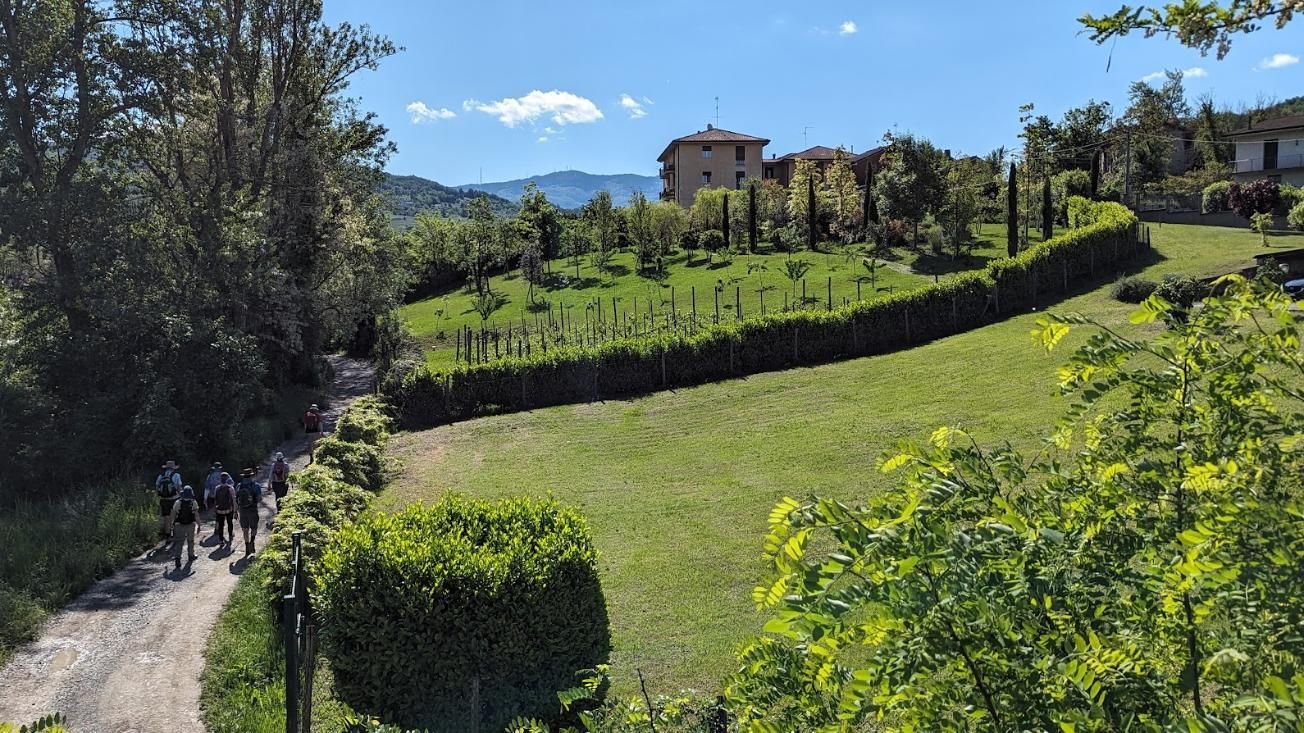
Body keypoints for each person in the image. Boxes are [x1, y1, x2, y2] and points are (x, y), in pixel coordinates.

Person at [170, 486, 200, 570]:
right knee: (190, 541)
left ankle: (177, 559)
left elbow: (173, 514)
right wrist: (199, 525)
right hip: (190, 524)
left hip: (179, 524)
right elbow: (196, 515)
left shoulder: (178, 502)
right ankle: (191, 555)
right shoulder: (193, 502)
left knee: (179, 542)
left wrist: (172, 523)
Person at [235, 468, 263, 557]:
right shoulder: (256, 485)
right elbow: (259, 499)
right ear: (251, 476)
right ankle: (252, 542)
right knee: (254, 528)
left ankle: (247, 547)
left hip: (242, 510)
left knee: (245, 529)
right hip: (252, 509)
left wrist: (235, 511)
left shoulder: (239, 486)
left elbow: (236, 499)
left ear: (243, 476)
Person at [154, 461, 183, 540]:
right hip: (174, 499)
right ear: (173, 468)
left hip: (163, 500)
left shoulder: (160, 476)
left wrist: (158, 497)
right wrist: (181, 497)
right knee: (174, 516)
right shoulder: (176, 475)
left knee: (166, 517)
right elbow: (179, 487)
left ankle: (167, 535)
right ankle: (174, 533)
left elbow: (157, 488)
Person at [211, 472, 236, 547]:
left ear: (220, 479)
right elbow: (234, 500)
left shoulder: (217, 488)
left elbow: (215, 499)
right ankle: (230, 534)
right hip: (229, 509)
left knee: (221, 525)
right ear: (227, 479)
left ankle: (221, 540)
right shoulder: (230, 488)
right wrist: (235, 510)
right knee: (229, 522)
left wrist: (215, 509)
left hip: (219, 510)